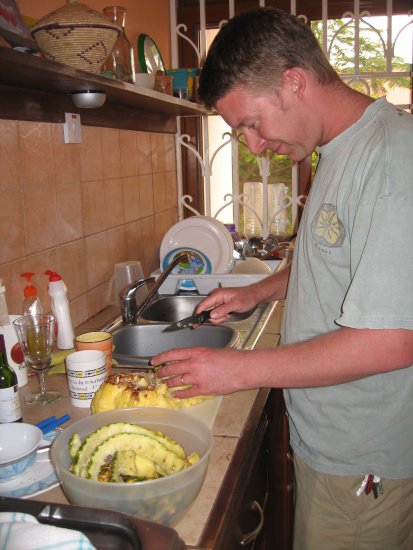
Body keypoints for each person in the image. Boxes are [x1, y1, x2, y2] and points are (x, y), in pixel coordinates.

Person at [151, 7, 413, 549]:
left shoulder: (390, 158)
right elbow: (325, 257)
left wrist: (239, 370)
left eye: (249, 122)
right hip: (331, 440)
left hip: (363, 461)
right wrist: (256, 291)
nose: (251, 144)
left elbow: (394, 340)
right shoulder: (337, 149)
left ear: (293, 82)